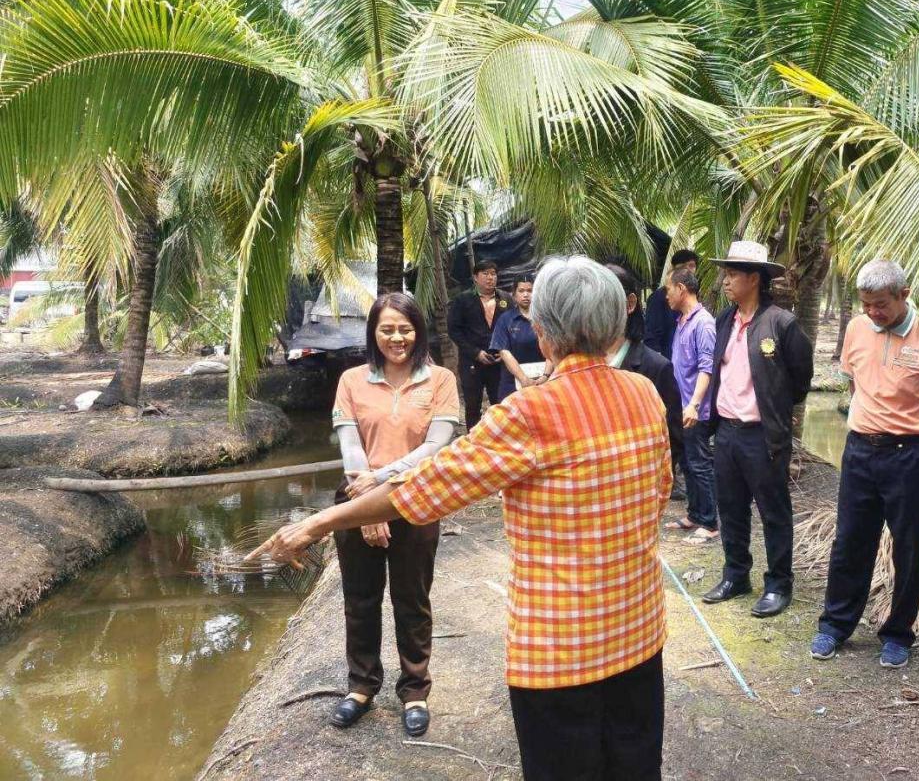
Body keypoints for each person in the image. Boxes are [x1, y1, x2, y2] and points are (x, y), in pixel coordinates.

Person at [252, 257, 672, 781]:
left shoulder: (530, 413)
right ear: (615, 322)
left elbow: (426, 488)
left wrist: (318, 523)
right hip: (639, 633)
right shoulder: (644, 394)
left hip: (561, 652)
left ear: (542, 334)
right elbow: (660, 495)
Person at [810, 260, 919, 668]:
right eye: (866, 305)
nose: (873, 313)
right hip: (859, 451)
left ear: (904, 294)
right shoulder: (857, 329)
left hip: (910, 455)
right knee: (850, 541)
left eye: (881, 305)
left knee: (909, 547)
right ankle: (835, 626)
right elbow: (856, 382)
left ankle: (898, 633)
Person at [328, 292, 460, 737]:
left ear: (418, 331)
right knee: (360, 598)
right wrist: (366, 505)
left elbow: (435, 445)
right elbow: (350, 447)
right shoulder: (351, 380)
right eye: (387, 329)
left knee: (412, 599)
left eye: (405, 329)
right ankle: (361, 687)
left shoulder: (440, 379)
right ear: (373, 333)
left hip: (417, 501)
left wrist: (380, 485)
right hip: (356, 495)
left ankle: (415, 690)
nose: (397, 337)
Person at [700, 240, 814, 618]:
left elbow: (800, 378)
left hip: (762, 435)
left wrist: (776, 413)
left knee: (773, 511)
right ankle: (736, 575)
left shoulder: (781, 323)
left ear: (754, 278)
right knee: (730, 508)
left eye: (732, 274)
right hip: (728, 432)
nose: (726, 281)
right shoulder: (724, 320)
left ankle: (779, 584)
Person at [607, 263, 687, 498]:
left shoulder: (655, 368)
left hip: (636, 490)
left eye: (605, 299)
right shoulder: (575, 363)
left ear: (630, 304)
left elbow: (672, 436)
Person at [664, 267, 719, 543]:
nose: (666, 295)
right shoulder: (682, 320)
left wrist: (695, 405)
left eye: (669, 289)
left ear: (682, 289)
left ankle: (709, 522)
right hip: (681, 405)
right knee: (687, 462)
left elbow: (706, 368)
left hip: (696, 409)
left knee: (699, 464)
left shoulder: (704, 323)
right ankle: (695, 514)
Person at [447, 259, 512, 430]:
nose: (490, 278)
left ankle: (502, 438)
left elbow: (513, 327)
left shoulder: (506, 299)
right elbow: (454, 331)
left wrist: (504, 351)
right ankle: (473, 442)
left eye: (493, 274)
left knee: (500, 404)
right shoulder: (463, 299)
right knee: (473, 405)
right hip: (472, 362)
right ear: (475, 277)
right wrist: (476, 353)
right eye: (485, 274)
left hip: (500, 361)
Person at [491, 273, 542, 398]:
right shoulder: (505, 320)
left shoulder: (545, 317)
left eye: (530, 290)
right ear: (514, 294)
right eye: (521, 291)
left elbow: (555, 347)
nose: (526, 294)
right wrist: (523, 378)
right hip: (513, 383)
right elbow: (504, 352)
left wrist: (546, 376)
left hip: (545, 381)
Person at [644, 249, 699, 359]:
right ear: (674, 269)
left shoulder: (694, 296)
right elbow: (651, 336)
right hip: (665, 361)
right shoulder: (659, 297)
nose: (688, 270)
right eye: (683, 267)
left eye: (691, 266)